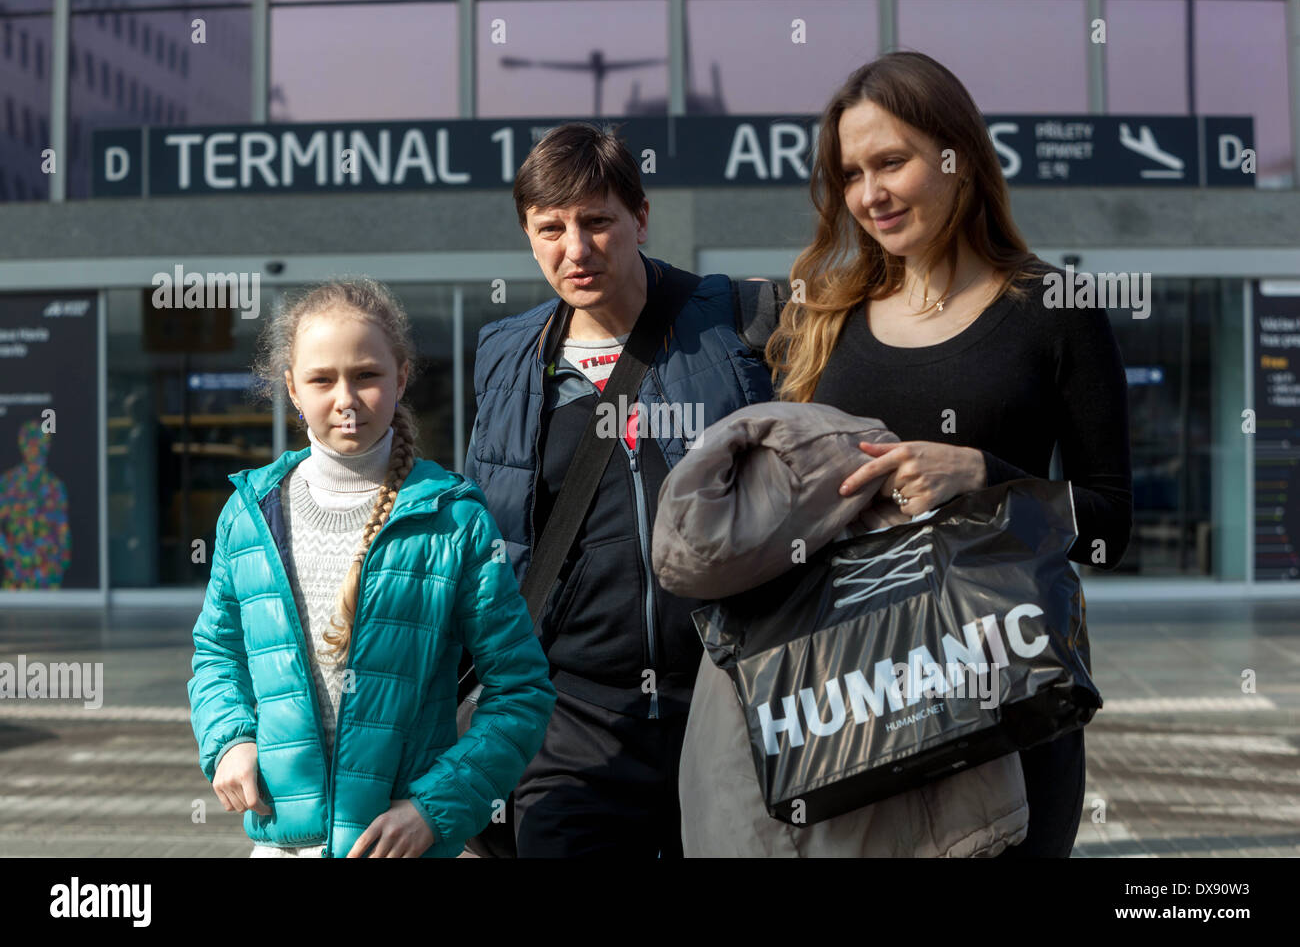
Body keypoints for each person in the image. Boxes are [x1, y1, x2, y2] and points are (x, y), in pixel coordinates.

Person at [761, 51, 1134, 856]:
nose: (870, 195)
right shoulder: (827, 321)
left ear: (958, 157)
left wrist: (987, 476)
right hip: (858, 703)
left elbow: (1112, 525)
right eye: (852, 174)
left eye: (891, 162)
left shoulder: (1054, 311)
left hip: (1009, 696)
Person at [463, 122, 774, 857]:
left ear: (640, 216)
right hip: (573, 720)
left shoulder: (737, 322)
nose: (576, 249)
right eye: (551, 228)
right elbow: (488, 538)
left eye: (597, 221)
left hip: (729, 701)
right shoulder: (508, 356)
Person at [187, 278, 555, 858]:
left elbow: (520, 690)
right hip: (283, 845)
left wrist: (434, 809)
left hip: (402, 845)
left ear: (401, 377)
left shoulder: (454, 518)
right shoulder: (251, 512)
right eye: (321, 379)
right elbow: (218, 653)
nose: (346, 398)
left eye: (366, 375)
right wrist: (229, 739)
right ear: (291, 387)